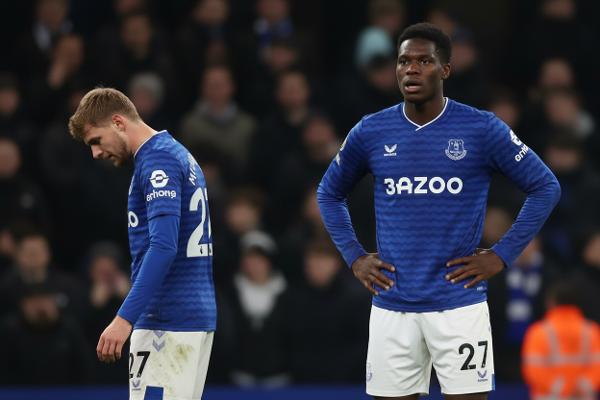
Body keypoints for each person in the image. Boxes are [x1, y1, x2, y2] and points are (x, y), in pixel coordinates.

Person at [317, 22, 561, 399]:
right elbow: (329, 193)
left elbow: (546, 186)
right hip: (392, 306)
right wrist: (355, 257)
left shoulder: (481, 128)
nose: (411, 70)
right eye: (404, 61)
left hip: (458, 306)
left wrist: (501, 255)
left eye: (424, 61)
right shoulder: (371, 131)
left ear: (445, 69)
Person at [68, 87, 216, 400]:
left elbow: (163, 247)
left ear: (118, 122)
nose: (96, 153)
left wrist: (124, 319)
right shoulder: (176, 152)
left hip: (166, 322)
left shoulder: (157, 161)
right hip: (192, 317)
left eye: (96, 141)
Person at [521, 280, 600, 399]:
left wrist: (562, 388)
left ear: (551, 302)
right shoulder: (591, 331)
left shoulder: (538, 332)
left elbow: (533, 371)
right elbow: (597, 368)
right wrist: (581, 387)